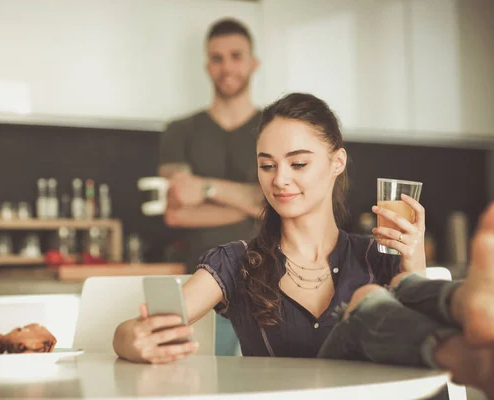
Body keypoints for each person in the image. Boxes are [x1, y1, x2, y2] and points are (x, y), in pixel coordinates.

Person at [114, 93, 494, 398]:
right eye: (267, 165)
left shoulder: (377, 253)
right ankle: (462, 317)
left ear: (336, 163)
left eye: (298, 164)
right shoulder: (236, 261)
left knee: (388, 295)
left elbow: (418, 379)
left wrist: (412, 262)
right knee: (365, 300)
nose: (280, 180)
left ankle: (462, 311)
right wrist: (132, 339)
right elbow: (143, 327)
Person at [159, 18, 263, 356]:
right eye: (217, 58)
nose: (226, 66)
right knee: (200, 384)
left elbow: (272, 204)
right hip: (199, 288)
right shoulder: (179, 131)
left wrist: (205, 188)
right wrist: (251, 201)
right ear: (207, 66)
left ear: (253, 63)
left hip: (267, 286)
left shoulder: (274, 128)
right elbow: (176, 213)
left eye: (236, 55)